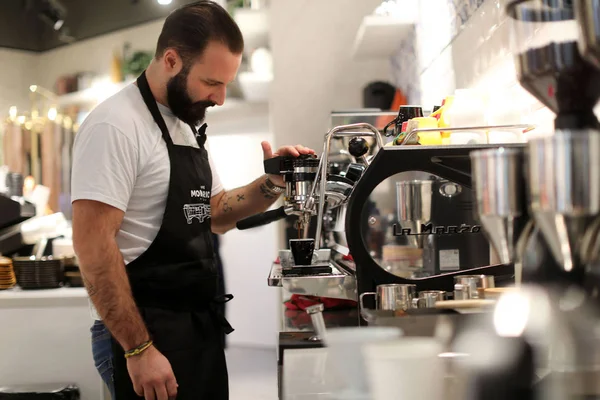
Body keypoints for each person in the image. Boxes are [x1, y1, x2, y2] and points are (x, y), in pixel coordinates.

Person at [71, 2, 314, 399]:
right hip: (141, 332)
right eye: (211, 83)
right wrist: (138, 349)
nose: (219, 98)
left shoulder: (184, 124)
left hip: (193, 325)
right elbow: (93, 247)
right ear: (171, 60)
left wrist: (273, 181)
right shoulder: (114, 126)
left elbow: (215, 212)